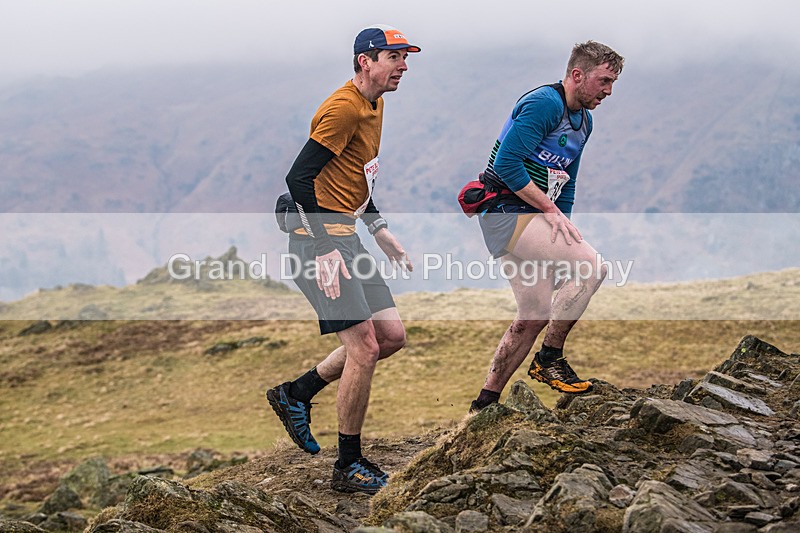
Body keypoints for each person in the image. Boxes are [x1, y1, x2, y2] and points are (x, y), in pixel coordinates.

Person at [266, 25, 420, 495]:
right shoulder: (343, 108)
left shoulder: (375, 103)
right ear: (365, 61)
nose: (403, 66)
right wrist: (326, 249)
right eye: (394, 57)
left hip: (347, 237)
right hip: (320, 244)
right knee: (364, 348)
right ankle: (347, 466)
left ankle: (296, 393)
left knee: (391, 336)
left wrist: (379, 229)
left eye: (405, 57)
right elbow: (299, 178)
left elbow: (357, 176)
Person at [469, 41, 624, 412]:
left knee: (534, 314)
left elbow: (565, 182)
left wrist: (562, 225)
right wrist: (551, 213)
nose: (608, 91)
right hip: (505, 210)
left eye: (613, 82)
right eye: (603, 80)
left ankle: (484, 404)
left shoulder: (584, 122)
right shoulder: (545, 104)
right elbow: (507, 165)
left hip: (532, 215)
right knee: (592, 268)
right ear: (576, 75)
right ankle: (549, 358)